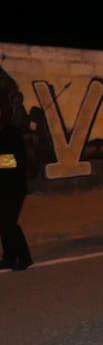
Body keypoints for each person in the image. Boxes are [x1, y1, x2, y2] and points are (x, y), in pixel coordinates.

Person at [0, 98, 31, 271]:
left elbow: (15, 161)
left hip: (14, 186)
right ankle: (9, 257)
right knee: (3, 223)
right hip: (2, 186)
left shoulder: (12, 134)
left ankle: (25, 257)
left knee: (9, 222)